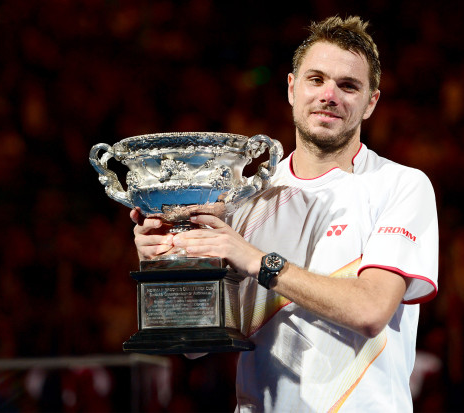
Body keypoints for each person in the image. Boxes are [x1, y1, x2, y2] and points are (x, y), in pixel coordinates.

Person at [131, 15, 438, 412]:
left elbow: (371, 309)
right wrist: (167, 265)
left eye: (348, 86)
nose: (330, 95)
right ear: (292, 88)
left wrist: (257, 261)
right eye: (316, 79)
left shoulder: (400, 185)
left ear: (370, 103)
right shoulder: (243, 198)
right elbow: (194, 347)